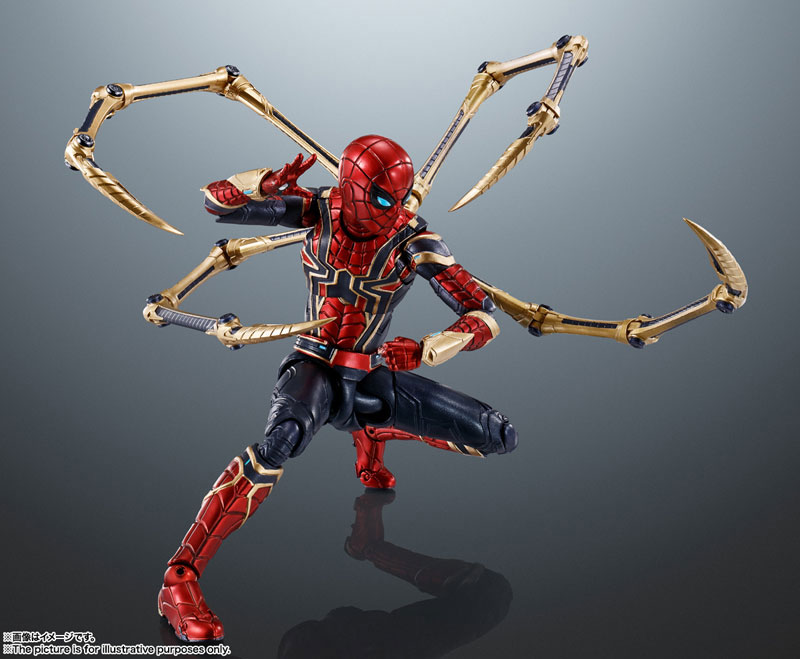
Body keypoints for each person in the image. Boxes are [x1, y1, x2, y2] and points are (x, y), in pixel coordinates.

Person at [157, 135, 518, 642]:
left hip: (368, 372)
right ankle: (180, 578)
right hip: (312, 365)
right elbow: (217, 205)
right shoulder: (316, 208)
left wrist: (429, 349)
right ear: (350, 187)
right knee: (279, 443)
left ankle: (374, 524)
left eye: (400, 197)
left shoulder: (414, 240)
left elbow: (484, 314)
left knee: (497, 434)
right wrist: (264, 183)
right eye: (383, 197)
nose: (394, 210)